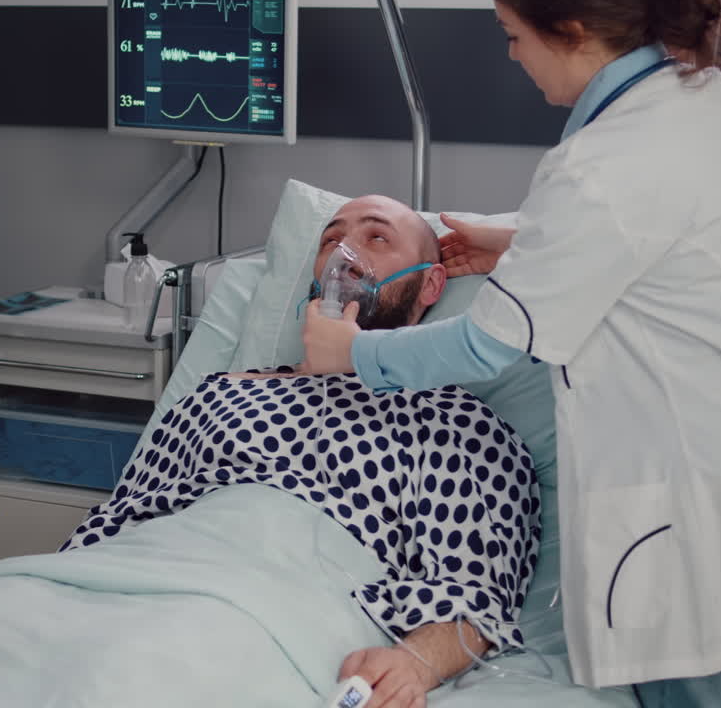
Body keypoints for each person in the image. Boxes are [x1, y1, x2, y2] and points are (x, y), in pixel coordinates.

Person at [301, 0, 721, 706]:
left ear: (573, 31)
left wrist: (352, 353)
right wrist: (528, 245)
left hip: (702, 531)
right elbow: (675, 246)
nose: (511, 55)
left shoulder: (599, 164)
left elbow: (488, 347)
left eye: (512, 34)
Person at [64, 194, 543, 707]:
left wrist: (413, 664)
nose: (344, 254)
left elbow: (475, 593)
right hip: (129, 581)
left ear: (430, 283)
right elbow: (118, 518)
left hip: (269, 611)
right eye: (331, 239)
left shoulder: (452, 420)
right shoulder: (218, 392)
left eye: (377, 237)